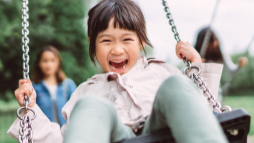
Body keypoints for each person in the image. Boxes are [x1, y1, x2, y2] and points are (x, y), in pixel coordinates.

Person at [8, 0, 227, 143]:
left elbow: (199, 111)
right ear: (92, 44)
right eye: (106, 41)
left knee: (177, 85)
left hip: (162, 133)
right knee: (92, 105)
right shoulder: (84, 93)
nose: (117, 49)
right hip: (114, 137)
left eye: (127, 39)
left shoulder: (162, 72)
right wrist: (30, 110)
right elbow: (60, 139)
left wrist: (198, 67)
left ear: (141, 42)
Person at [194, 27, 248, 100]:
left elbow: (232, 71)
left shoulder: (220, 55)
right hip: (198, 92)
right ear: (204, 43)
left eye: (216, 40)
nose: (216, 43)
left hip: (214, 94)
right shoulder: (195, 55)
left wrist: (239, 65)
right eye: (212, 41)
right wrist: (197, 64)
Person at [32, 45, 77, 126]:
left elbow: (76, 110)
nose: (49, 64)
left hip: (65, 134)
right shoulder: (34, 87)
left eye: (52, 61)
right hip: (45, 134)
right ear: (39, 63)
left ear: (58, 63)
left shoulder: (68, 85)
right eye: (45, 61)